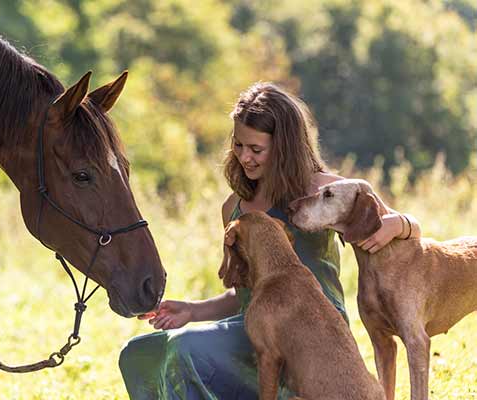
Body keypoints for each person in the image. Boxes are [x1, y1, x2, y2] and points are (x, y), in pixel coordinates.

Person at [118, 82, 421, 399]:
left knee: (186, 349)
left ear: (284, 147)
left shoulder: (325, 191)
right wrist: (193, 311)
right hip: (257, 330)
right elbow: (249, 297)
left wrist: (401, 224)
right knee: (139, 353)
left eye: (256, 149)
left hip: (312, 336)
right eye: (238, 146)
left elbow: (408, 229)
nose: (245, 157)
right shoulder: (233, 208)